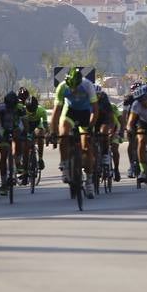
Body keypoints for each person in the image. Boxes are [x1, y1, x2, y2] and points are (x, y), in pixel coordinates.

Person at [48, 67, 97, 199]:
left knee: (87, 147)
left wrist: (90, 127)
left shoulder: (88, 85)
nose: (74, 90)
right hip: (69, 112)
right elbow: (56, 113)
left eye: (76, 87)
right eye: (71, 87)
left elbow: (95, 110)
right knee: (63, 135)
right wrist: (53, 132)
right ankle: (64, 165)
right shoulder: (62, 87)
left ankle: (89, 181)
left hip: (85, 113)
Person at [0, 91, 27, 196]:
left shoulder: (21, 108)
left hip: (16, 127)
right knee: (3, 155)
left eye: (13, 106)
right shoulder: (0, 108)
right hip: (4, 129)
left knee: (19, 139)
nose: (11, 108)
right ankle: (3, 183)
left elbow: (25, 124)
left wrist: (25, 133)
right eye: (9, 106)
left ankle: (17, 161)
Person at [92, 89, 121, 182]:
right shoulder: (88, 104)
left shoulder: (110, 106)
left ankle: (116, 169)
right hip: (95, 125)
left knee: (114, 148)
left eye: (99, 95)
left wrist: (112, 132)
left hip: (112, 126)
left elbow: (114, 121)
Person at [19, 89, 47, 184]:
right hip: (26, 126)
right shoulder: (23, 110)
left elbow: (45, 125)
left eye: (33, 110)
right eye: (29, 110)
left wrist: (46, 134)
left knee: (40, 134)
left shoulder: (41, 111)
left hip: (36, 126)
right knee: (26, 147)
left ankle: (40, 159)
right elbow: (20, 126)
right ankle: (25, 172)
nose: (31, 113)